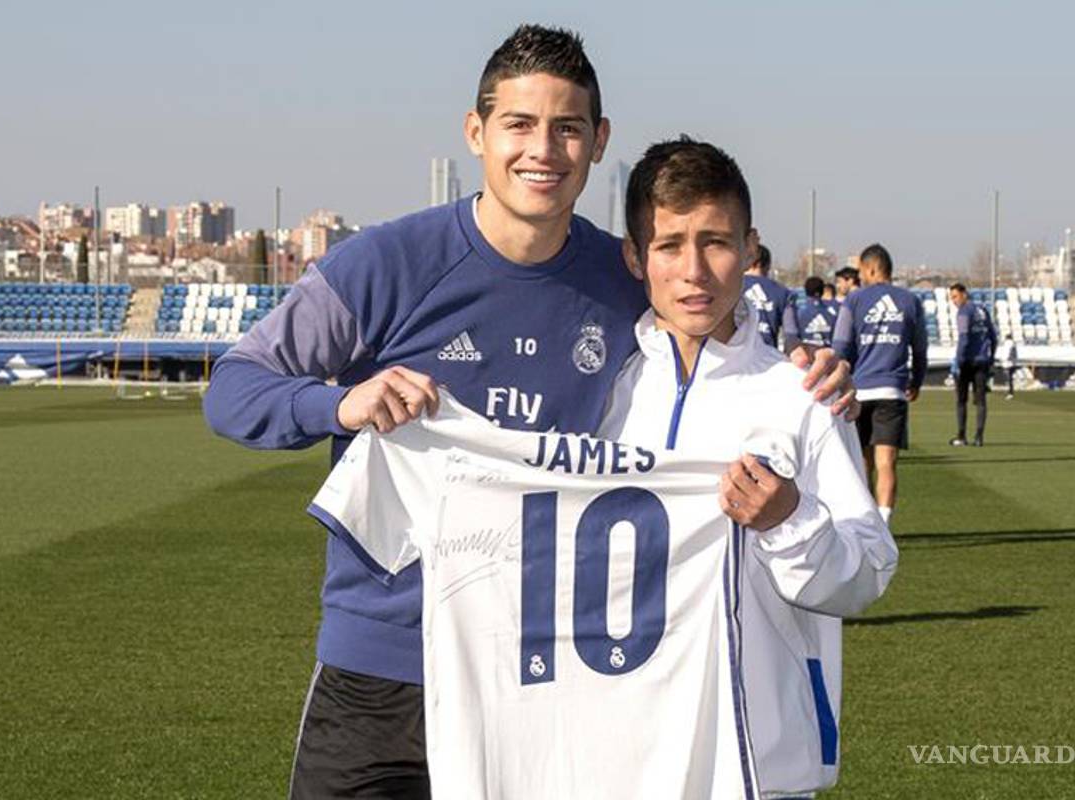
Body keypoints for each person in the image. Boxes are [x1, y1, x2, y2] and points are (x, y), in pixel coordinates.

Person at [202, 24, 855, 799]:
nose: (542, 149)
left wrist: (806, 372)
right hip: (383, 668)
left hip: (541, 681)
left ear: (598, 140)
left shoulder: (621, 278)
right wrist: (342, 402)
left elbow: (712, 323)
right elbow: (233, 388)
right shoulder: (385, 263)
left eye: (567, 127)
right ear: (476, 132)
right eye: (518, 124)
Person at [598, 136, 896, 796]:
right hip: (619, 763)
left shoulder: (804, 395)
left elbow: (870, 571)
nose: (695, 270)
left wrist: (792, 523)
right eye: (669, 244)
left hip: (762, 767)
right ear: (635, 256)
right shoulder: (602, 394)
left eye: (716, 241)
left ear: (750, 247)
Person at [833, 244, 928, 527]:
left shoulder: (855, 300)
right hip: (892, 390)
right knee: (886, 462)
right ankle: (883, 525)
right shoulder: (910, 301)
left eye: (861, 270)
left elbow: (840, 346)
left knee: (861, 463)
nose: (860, 276)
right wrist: (917, 381)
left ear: (871, 268)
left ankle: (862, 523)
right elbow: (920, 349)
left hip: (858, 391)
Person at [948, 283, 997, 446]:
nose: (953, 301)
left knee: (961, 400)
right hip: (982, 361)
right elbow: (993, 337)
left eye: (955, 296)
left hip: (967, 361)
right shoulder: (982, 310)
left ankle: (961, 436)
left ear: (964, 294)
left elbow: (964, 338)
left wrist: (958, 361)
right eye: (951, 298)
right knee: (981, 400)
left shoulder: (964, 312)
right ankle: (979, 437)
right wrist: (991, 358)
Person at [742, 243, 800, 351]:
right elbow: (791, 334)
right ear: (767, 265)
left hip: (734, 357)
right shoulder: (783, 292)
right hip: (767, 357)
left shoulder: (733, 287)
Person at [796, 275, 839, 348]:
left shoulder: (798, 311)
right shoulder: (834, 310)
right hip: (828, 353)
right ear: (822, 291)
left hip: (805, 354)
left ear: (806, 291)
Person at [1001, 333, 1018, 398]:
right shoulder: (1012, 344)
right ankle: (1010, 391)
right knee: (1009, 378)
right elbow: (1013, 353)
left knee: (1009, 378)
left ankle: (1010, 393)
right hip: (1011, 363)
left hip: (1008, 363)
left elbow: (1008, 353)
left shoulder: (1008, 344)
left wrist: (1007, 359)